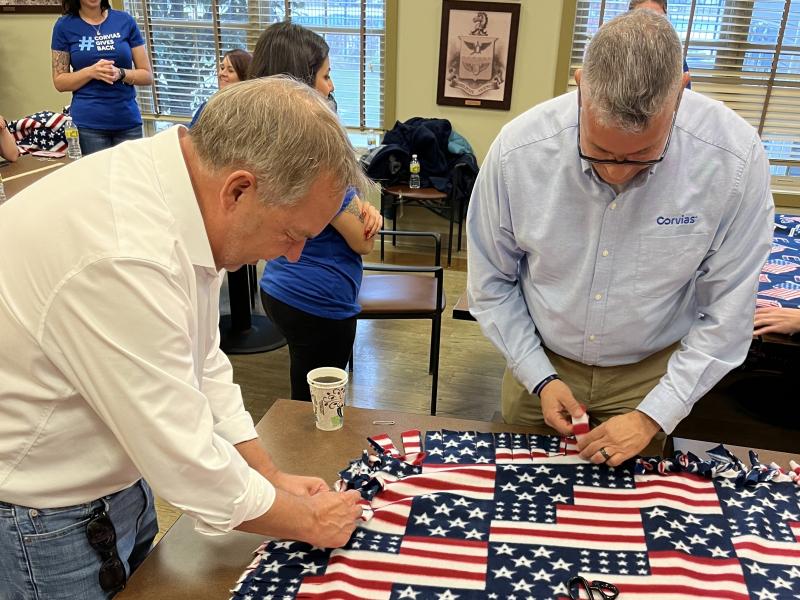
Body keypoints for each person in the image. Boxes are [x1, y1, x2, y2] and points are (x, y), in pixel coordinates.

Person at [0, 77, 367, 599]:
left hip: (117, 481)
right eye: (291, 233)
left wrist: (270, 477)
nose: (291, 257)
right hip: (44, 514)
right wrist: (307, 520)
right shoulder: (128, 250)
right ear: (240, 190)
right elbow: (184, 460)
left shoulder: (191, 190)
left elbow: (201, 358)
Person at [467, 9, 773, 467]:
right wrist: (540, 378)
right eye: (599, 151)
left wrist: (655, 415)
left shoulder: (734, 160)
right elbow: (490, 284)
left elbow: (727, 313)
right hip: (540, 356)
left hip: (653, 372)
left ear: (681, 93)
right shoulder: (518, 152)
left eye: (643, 157)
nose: (615, 173)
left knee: (628, 520)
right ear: (580, 85)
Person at [252, 22, 382, 402]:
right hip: (317, 297)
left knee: (304, 392)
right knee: (321, 408)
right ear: (301, 81)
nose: (332, 86)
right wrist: (364, 215)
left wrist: (361, 207)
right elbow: (362, 241)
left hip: (281, 287)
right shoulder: (313, 152)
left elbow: (350, 209)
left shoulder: (270, 138)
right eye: (326, 76)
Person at [51, 0, 153, 155]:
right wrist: (91, 72)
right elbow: (60, 82)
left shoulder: (125, 21)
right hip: (89, 125)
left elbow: (147, 75)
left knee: (131, 178)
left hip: (128, 121)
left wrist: (121, 73)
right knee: (97, 178)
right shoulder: (64, 26)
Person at [629, 0, 691, 88]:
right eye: (641, 19)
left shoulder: (675, 59)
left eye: (658, 20)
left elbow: (684, 97)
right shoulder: (612, 54)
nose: (650, 28)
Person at [189, 48, 252, 128]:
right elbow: (190, 136)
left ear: (243, 77)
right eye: (222, 68)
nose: (222, 73)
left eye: (230, 70)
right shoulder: (207, 107)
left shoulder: (251, 112)